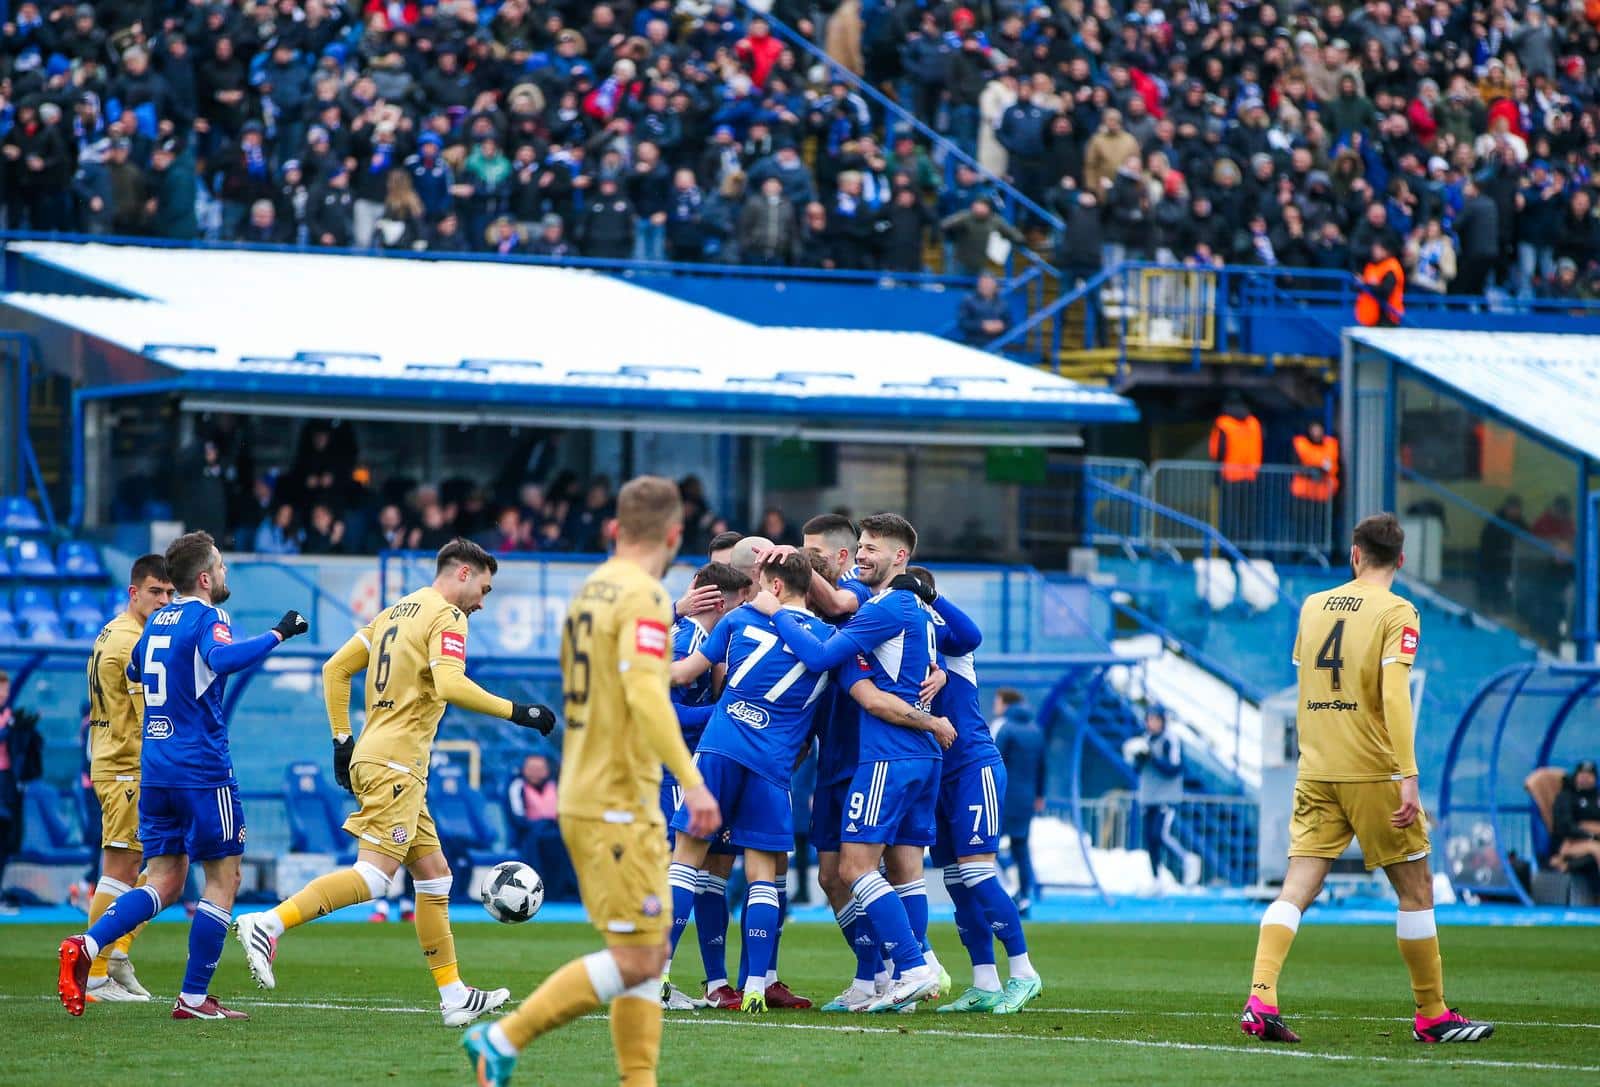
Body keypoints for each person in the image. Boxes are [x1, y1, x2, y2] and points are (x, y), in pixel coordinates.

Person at [461, 476, 718, 1087]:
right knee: (641, 956)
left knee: (645, 954)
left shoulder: (588, 592)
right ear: (676, 536)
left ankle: (639, 1079)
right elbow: (646, 694)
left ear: (613, 529)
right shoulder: (645, 596)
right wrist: (694, 780)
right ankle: (501, 1038)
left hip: (594, 788)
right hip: (616, 799)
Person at [234, 539, 556, 1026]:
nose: (483, 602)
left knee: (436, 877)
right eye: (484, 588)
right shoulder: (448, 616)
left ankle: (452, 995)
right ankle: (268, 923)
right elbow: (449, 684)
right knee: (375, 878)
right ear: (463, 573)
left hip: (380, 755)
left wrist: (342, 739)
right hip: (397, 765)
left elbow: (335, 668)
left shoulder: (391, 614)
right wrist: (520, 712)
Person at [1241, 514, 1493, 1046]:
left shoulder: (1312, 607)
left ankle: (1261, 995)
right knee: (1416, 888)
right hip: (1373, 768)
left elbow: (1306, 679)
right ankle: (1432, 1014)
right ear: (1400, 560)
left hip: (1315, 769)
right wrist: (1408, 776)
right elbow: (1394, 696)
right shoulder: (1398, 610)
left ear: (1354, 555)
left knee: (1297, 887)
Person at [58, 531, 309, 1020]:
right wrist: (279, 632)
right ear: (204, 576)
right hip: (201, 767)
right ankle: (193, 998)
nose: (224, 573)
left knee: (167, 880)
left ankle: (87, 945)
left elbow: (135, 669)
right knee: (224, 878)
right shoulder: (208, 615)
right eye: (220, 565)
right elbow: (222, 659)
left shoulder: (154, 623)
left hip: (155, 767)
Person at [750, 513, 951, 1012]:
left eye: (870, 548)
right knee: (837, 874)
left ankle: (911, 965)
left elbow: (830, 659)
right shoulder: (904, 608)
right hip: (874, 756)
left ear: (899, 558)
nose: (862, 554)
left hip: (884, 755)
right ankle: (881, 976)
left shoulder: (872, 605)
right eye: (860, 546)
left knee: (871, 867)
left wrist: (776, 609)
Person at [665, 551, 833, 1013]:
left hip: (718, 751)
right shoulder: (832, 640)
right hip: (772, 765)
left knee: (685, 864)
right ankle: (756, 984)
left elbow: (681, 673)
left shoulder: (738, 619)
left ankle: (656, 976)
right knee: (763, 876)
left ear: (775, 587)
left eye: (759, 582)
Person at [894, 567, 1042, 1014]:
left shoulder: (942, 632)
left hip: (973, 766)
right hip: (938, 773)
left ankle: (1024, 972)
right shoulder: (906, 640)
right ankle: (985, 980)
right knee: (957, 883)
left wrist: (930, 595)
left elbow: (970, 633)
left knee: (978, 874)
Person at [81, 554, 174, 1004]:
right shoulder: (132, 641)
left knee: (157, 868)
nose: (164, 600)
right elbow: (149, 716)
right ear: (134, 592)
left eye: (170, 593)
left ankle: (116, 957)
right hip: (126, 767)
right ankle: (94, 970)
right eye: (155, 591)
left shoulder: (110, 631)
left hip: (116, 762)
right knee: (122, 869)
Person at [659, 560, 750, 1011]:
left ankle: (716, 981)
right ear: (723, 602)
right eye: (741, 604)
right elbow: (661, 711)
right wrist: (724, 713)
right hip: (679, 769)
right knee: (683, 868)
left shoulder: (703, 644)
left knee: (710, 874)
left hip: (701, 766)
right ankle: (653, 976)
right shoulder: (688, 640)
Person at [992, 688, 1044, 912]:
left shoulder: (1005, 729)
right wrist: (1040, 795)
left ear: (1005, 703)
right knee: (1020, 847)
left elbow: (995, 762)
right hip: (1027, 799)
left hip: (1005, 797)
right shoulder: (1035, 729)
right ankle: (1025, 895)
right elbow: (1043, 766)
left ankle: (1010, 891)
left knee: (987, 846)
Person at [1125, 705, 1184, 883]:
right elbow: (1137, 769)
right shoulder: (1144, 740)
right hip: (1148, 797)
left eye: (1156, 719)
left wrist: (1153, 758)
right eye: (1149, 719)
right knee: (1150, 840)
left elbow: (1174, 768)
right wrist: (1137, 757)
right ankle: (1156, 878)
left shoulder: (1169, 740)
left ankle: (1186, 860)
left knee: (1159, 834)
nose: (1152, 723)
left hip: (1165, 797)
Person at [506, 755, 575, 902]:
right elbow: (517, 818)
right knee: (536, 843)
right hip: (528, 835)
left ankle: (565, 890)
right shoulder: (517, 787)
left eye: (539, 769)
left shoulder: (557, 785)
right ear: (524, 770)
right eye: (532, 769)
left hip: (555, 832)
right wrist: (539, 825)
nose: (535, 773)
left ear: (546, 770)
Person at [1209, 397, 1263, 547]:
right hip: (1251, 477)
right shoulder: (1254, 423)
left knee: (1228, 517)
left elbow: (1218, 451)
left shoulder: (1223, 423)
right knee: (1248, 517)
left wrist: (1216, 474)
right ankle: (1245, 550)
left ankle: (1227, 549)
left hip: (1229, 476)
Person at [1550, 759, 1600, 879]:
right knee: (1597, 850)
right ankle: (1563, 865)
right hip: (1569, 843)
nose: (1585, 778)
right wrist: (1590, 835)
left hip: (1593, 839)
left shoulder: (1597, 798)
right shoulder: (1566, 797)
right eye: (1582, 775)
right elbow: (1565, 826)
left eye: (1589, 775)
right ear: (1576, 776)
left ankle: (1567, 866)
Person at [1290, 422, 1341, 516]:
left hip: (1324, 494)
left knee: (1323, 523)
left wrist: (1320, 471)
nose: (1316, 433)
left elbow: (1335, 466)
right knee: (1303, 521)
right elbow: (1296, 465)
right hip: (1304, 493)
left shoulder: (1331, 445)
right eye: (1314, 430)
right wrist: (1313, 471)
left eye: (1319, 430)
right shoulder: (1301, 445)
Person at [1356, 237, 1405, 327]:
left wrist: (1366, 285)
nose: (1374, 251)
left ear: (1386, 251)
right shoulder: (1371, 265)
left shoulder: (1391, 268)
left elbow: (1385, 291)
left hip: (1387, 318)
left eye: (1378, 249)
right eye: (1374, 248)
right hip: (1371, 316)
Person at [958, 273, 1010, 347]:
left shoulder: (1003, 303)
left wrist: (1001, 326)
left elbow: (1009, 323)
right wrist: (982, 325)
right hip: (973, 344)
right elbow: (962, 322)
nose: (986, 286)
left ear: (995, 285)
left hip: (997, 345)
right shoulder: (968, 301)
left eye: (989, 284)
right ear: (979, 285)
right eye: (984, 283)